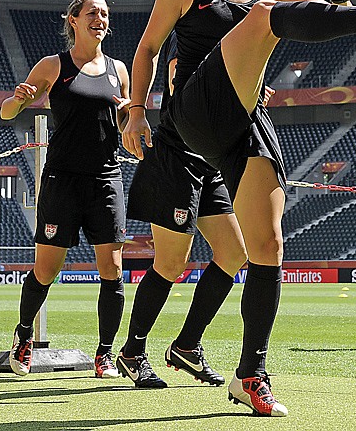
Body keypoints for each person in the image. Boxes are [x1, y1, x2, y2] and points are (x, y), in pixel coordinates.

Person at [122, 0, 356, 416]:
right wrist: (137, 111)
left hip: (242, 122)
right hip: (193, 111)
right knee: (263, 16)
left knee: (267, 247)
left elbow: (315, 2)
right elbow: (146, 49)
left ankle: (250, 374)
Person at [118, 31, 276, 389]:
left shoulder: (238, 35)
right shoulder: (192, 31)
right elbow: (180, 84)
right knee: (171, 263)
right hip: (177, 157)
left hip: (212, 161)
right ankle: (131, 352)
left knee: (235, 254)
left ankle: (186, 345)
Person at [0, 0, 131, 379]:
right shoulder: (53, 65)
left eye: (105, 13)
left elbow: (123, 127)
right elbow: (8, 112)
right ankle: (23, 336)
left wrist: (128, 118)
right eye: (92, 12)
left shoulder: (118, 70)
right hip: (62, 181)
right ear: (73, 20)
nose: (101, 19)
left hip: (106, 179)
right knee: (46, 269)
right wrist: (18, 99)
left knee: (112, 268)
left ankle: (105, 354)